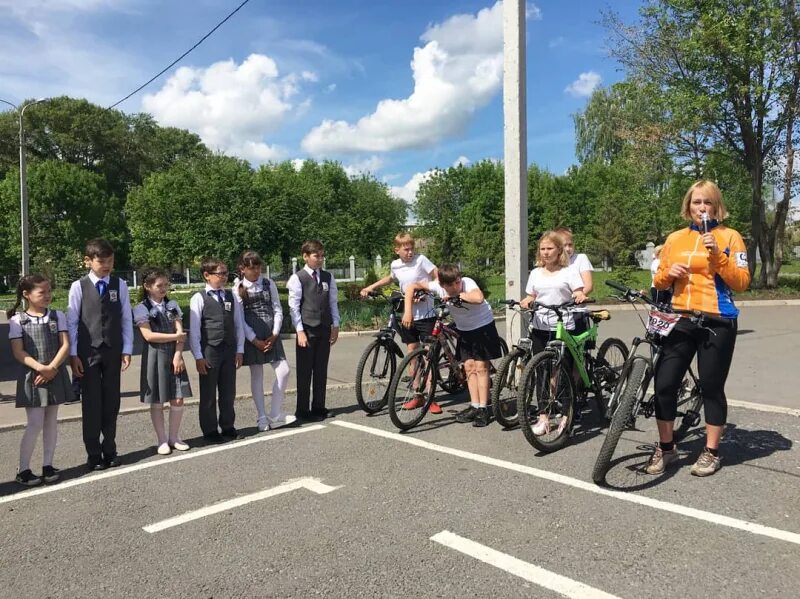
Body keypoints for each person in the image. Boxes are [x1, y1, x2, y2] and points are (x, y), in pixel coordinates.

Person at [649, 180, 750, 477]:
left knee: (710, 386)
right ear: (688, 206)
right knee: (664, 385)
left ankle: (711, 451)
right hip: (681, 317)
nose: (701, 207)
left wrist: (718, 255)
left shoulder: (730, 236)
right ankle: (667, 448)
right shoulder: (675, 238)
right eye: (696, 202)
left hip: (718, 319)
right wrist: (669, 273)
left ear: (716, 206)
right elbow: (659, 282)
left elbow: (742, 283)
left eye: (707, 202)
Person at [402, 264, 504, 427]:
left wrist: (460, 296)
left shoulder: (467, 283)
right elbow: (412, 286)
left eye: (457, 282)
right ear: (442, 285)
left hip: (482, 326)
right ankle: (475, 405)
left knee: (481, 367)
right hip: (464, 329)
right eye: (450, 285)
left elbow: (478, 297)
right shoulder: (438, 286)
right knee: (469, 367)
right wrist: (409, 309)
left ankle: (484, 409)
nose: (455, 286)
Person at [67, 238, 133, 471]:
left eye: (110, 261)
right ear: (88, 261)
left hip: (113, 350)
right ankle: (93, 452)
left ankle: (110, 449)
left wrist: (127, 349)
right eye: (101, 261)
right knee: (92, 402)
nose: (106, 265)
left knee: (112, 401)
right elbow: (72, 321)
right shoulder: (79, 286)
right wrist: (73, 355)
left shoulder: (119, 284)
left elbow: (126, 318)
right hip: (88, 353)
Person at [360, 232, 442, 413]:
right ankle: (417, 396)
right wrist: (371, 287)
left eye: (412, 248)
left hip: (426, 315)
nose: (410, 252)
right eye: (406, 249)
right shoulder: (395, 265)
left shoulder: (421, 260)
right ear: (397, 250)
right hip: (407, 316)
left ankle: (431, 397)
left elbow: (438, 277)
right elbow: (391, 278)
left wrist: (427, 291)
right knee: (412, 356)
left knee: (428, 356)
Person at [520, 231, 587, 436]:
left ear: (559, 251)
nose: (546, 253)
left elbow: (579, 290)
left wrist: (579, 294)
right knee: (541, 372)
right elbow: (531, 295)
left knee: (563, 372)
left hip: (562, 326)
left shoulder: (569, 271)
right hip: (540, 325)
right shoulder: (536, 273)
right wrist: (526, 301)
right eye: (543, 249)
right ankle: (543, 417)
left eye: (550, 249)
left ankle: (567, 414)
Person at [8, 275, 73, 486]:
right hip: (33, 376)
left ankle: (47, 464)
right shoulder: (18, 320)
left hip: (54, 372)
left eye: (48, 291)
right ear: (27, 295)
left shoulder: (57, 315)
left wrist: (52, 367)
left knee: (51, 421)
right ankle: (24, 468)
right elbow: (19, 352)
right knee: (35, 423)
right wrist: (41, 368)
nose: (47, 295)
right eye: (41, 292)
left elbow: (65, 345)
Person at [234, 250, 295, 432]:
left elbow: (277, 308)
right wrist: (253, 339)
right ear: (243, 269)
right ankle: (261, 417)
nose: (256, 271)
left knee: (284, 371)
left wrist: (275, 332)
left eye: (258, 266)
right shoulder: (237, 288)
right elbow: (239, 318)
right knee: (257, 375)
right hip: (252, 337)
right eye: (251, 268)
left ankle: (275, 413)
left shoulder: (269, 284)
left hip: (271, 335)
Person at [133, 269, 192, 455]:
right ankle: (161, 440)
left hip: (174, 355)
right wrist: (174, 336)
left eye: (166, 285)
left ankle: (174, 437)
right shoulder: (141, 308)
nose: (163, 288)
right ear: (147, 286)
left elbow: (180, 333)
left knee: (178, 397)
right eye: (159, 285)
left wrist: (178, 355)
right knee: (157, 400)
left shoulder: (172, 305)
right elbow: (148, 336)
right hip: (154, 356)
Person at [189, 258, 245, 443]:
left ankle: (228, 426)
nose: (224, 277)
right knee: (209, 393)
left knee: (228, 391)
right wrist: (198, 356)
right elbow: (195, 330)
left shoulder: (231, 296)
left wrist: (240, 349)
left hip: (229, 349)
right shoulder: (199, 298)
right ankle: (210, 430)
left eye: (226, 273)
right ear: (207, 275)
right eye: (220, 273)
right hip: (210, 350)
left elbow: (238, 325)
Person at [287, 240, 340, 422]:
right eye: (316, 256)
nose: (320, 259)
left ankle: (319, 406)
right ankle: (302, 409)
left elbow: (332, 302)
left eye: (322, 256)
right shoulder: (298, 278)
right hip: (307, 329)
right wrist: (299, 331)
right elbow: (294, 307)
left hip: (324, 328)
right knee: (304, 371)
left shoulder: (327, 277)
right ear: (305, 256)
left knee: (320, 369)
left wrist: (336, 324)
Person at [556, 226, 593, 296]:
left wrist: (574, 299)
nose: (568, 249)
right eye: (564, 246)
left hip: (576, 305)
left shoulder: (581, 258)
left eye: (570, 245)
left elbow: (588, 286)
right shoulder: (553, 261)